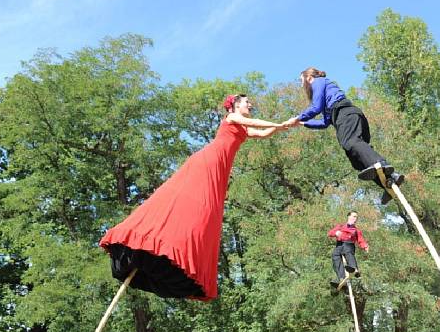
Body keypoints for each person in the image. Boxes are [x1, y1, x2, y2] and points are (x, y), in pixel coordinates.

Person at [100, 94, 284, 300]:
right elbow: (253, 123)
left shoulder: (242, 128)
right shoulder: (232, 118)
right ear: (234, 106)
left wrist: (284, 126)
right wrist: (278, 123)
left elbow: (263, 133)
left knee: (206, 213)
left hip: (219, 169)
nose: (250, 104)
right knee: (196, 204)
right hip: (209, 163)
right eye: (246, 101)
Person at [283, 68, 404, 205]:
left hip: (345, 114)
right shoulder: (326, 97)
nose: (301, 85)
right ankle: (389, 181)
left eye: (301, 81)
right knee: (357, 160)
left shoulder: (318, 82)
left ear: (309, 77)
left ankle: (382, 163)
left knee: (351, 142)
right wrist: (302, 123)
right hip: (348, 117)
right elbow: (324, 122)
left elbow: (315, 107)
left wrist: (297, 117)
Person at [328, 211, 369, 289]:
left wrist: (365, 246)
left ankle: (354, 268)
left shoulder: (356, 230)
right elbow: (330, 233)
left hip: (349, 244)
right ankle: (341, 277)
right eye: (354, 216)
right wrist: (336, 233)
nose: (355, 219)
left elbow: (361, 240)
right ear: (349, 216)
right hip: (339, 244)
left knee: (348, 251)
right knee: (335, 256)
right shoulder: (340, 227)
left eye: (356, 217)